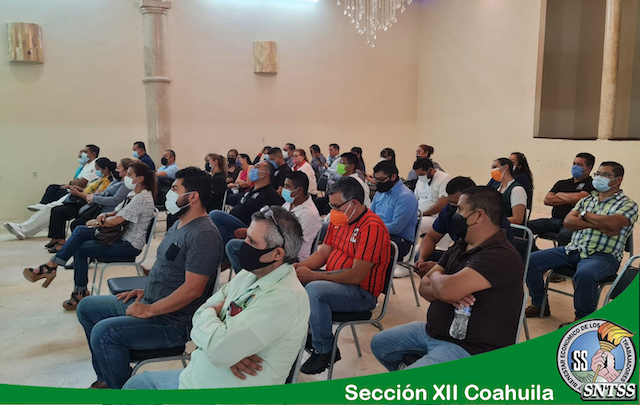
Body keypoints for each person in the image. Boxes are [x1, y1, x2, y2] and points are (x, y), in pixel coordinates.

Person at [122, 206, 309, 390]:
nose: (243, 244)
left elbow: (220, 349)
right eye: (246, 236)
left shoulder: (285, 298)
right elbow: (201, 315)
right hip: (200, 373)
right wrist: (224, 345)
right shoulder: (251, 274)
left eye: (252, 241)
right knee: (137, 385)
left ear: (277, 254)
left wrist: (220, 339)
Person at [76, 167, 223, 389]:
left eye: (175, 189)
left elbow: (193, 289)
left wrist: (150, 309)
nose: (169, 194)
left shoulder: (204, 234)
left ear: (193, 196)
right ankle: (109, 378)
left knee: (104, 333)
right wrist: (147, 291)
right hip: (152, 301)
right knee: (87, 307)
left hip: (171, 323)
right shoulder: (180, 223)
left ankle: (121, 393)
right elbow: (170, 271)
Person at [371, 187, 524, 371]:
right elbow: (424, 288)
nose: (454, 214)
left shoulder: (500, 255)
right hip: (434, 332)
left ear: (479, 215)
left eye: (460, 209)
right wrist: (445, 288)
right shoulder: (461, 245)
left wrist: (438, 278)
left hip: (470, 347)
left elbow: (443, 288)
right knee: (380, 343)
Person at [23, 162, 156, 311]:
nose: (125, 177)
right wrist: (104, 215)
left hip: (128, 245)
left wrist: (97, 222)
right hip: (118, 236)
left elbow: (116, 221)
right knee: (80, 231)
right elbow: (115, 212)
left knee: (81, 248)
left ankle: (70, 283)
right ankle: (56, 270)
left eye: (129, 175)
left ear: (139, 179)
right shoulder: (133, 194)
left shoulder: (142, 198)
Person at [294, 177, 391, 374]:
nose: (333, 211)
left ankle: (324, 350)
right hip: (337, 282)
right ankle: (309, 334)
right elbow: (324, 253)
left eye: (337, 206)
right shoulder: (340, 220)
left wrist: (314, 276)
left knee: (314, 289)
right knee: (295, 281)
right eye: (331, 206)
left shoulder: (371, 227)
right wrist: (299, 268)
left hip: (361, 294)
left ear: (353, 203)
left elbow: (356, 276)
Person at [525, 162, 637, 323]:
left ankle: (582, 320)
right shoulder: (587, 200)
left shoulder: (628, 204)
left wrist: (584, 215)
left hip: (603, 256)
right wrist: (598, 224)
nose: (599, 177)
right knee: (531, 261)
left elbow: (613, 223)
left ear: (618, 180)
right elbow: (568, 222)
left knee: (585, 274)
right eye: (598, 174)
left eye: (605, 175)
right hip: (573, 249)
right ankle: (539, 303)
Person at [414, 177, 516, 275]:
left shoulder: (493, 219)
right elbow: (431, 237)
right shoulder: (448, 211)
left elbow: (487, 258)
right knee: (422, 257)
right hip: (460, 255)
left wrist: (439, 268)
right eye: (450, 202)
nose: (454, 208)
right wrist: (422, 260)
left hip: (483, 261)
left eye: (459, 206)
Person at [226, 172, 322, 273]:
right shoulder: (289, 203)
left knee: (234, 246)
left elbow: (289, 241)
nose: (284, 189)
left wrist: (254, 237)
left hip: (290, 256)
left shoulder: (309, 213)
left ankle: (250, 277)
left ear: (299, 190)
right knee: (236, 242)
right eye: (284, 185)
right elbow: (274, 224)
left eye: (288, 186)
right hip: (274, 243)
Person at [4, 157, 114, 241]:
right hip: (78, 198)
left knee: (52, 209)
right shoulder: (99, 179)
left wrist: (78, 193)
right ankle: (24, 229)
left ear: (105, 169)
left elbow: (95, 197)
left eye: (98, 169)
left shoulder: (106, 182)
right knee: (49, 207)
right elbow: (88, 191)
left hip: (84, 204)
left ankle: (24, 229)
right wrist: (79, 189)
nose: (96, 171)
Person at [209, 161, 284, 249]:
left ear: (265, 173)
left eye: (257, 167)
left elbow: (269, 222)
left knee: (215, 215)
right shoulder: (251, 190)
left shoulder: (270, 195)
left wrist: (248, 230)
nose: (252, 169)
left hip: (247, 228)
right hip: (236, 222)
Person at [528, 153, 595, 247]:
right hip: (553, 220)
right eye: (574, 164)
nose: (575, 167)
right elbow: (547, 200)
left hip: (571, 223)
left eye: (579, 165)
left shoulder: (592, 185)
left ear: (589, 168)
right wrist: (571, 199)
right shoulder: (562, 183)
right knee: (523, 227)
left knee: (565, 236)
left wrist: (559, 194)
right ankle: (532, 253)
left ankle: (561, 256)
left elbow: (580, 199)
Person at [370, 161, 419, 261]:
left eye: (381, 179)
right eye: (376, 179)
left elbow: (396, 228)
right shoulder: (380, 192)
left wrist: (372, 228)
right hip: (379, 233)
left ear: (393, 177)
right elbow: (370, 215)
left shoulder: (406, 196)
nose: (378, 183)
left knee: (367, 245)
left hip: (399, 240)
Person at [31, 145, 101, 209]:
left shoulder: (94, 166)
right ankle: (42, 204)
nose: (83, 154)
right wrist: (70, 184)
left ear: (93, 154)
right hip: (73, 186)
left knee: (57, 194)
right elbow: (76, 179)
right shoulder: (87, 165)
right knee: (52, 187)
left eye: (86, 152)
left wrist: (71, 184)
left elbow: (80, 182)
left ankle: (45, 206)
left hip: (80, 191)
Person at [413, 158, 451, 235]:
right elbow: (414, 198)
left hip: (435, 217)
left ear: (430, 170)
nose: (420, 177)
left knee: (416, 225)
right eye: (418, 175)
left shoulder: (444, 179)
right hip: (418, 214)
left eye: (421, 175)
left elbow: (442, 204)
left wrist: (422, 214)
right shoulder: (421, 180)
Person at [491, 158, 527, 225]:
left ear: (505, 167)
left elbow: (518, 219)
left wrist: (493, 221)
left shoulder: (517, 190)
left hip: (512, 228)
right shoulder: (496, 188)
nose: (492, 170)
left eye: (495, 167)